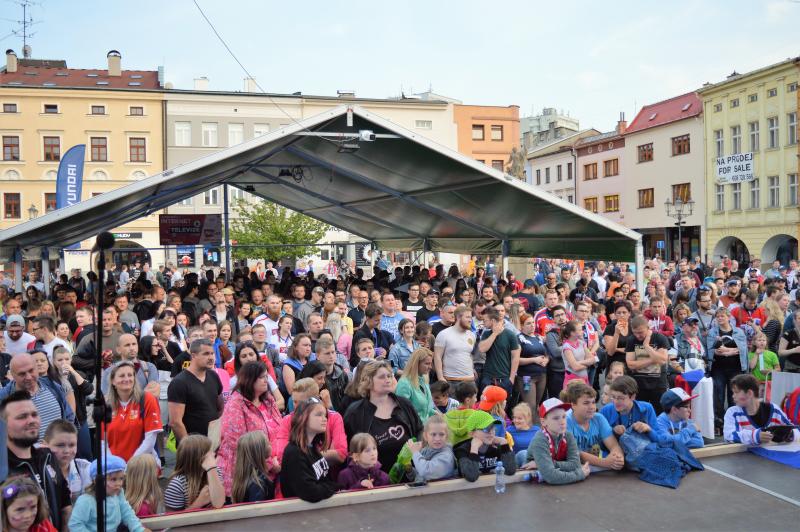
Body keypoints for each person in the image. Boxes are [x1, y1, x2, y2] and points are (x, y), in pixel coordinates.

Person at [1, 391, 71, 530]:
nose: (31, 420)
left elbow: (65, 502)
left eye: (34, 415)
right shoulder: (2, 467)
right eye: (22, 417)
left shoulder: (48, 456)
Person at [343, 360, 423, 473]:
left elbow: (419, 430)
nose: (388, 380)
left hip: (410, 474)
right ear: (369, 381)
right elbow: (350, 451)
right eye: (382, 377)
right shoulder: (355, 412)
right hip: (374, 478)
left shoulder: (404, 404)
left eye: (389, 376)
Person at [218, 361, 282, 497]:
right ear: (250, 380)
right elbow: (237, 444)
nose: (266, 380)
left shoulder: (268, 399)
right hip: (247, 473)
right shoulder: (235, 404)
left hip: (273, 466)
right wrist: (269, 464)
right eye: (262, 377)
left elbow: (280, 430)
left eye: (267, 376)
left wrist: (279, 457)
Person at [273, 378, 348, 468]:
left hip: (328, 474)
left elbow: (341, 454)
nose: (295, 407)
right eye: (294, 401)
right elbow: (282, 456)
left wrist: (305, 458)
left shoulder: (334, 417)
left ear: (315, 400)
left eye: (300, 403)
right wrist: (325, 455)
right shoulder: (287, 420)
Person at [0, 353, 76, 442]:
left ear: (36, 369)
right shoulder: (4, 398)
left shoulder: (53, 386)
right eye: (22, 374)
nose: (28, 377)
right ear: (12, 375)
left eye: (31, 371)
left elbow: (69, 416)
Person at [280, 398, 339, 502]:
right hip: (300, 511)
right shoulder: (294, 453)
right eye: (319, 415)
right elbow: (310, 492)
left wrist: (330, 486)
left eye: (325, 415)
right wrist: (333, 487)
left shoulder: (312, 447)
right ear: (304, 418)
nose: (325, 419)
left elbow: (325, 480)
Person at [68, 455, 145, 532]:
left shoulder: (118, 493)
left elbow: (127, 513)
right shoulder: (86, 500)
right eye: (113, 479)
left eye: (121, 478)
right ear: (97, 480)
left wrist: (139, 529)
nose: (119, 483)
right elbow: (75, 524)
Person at [104, 361, 162, 462]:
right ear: (113, 381)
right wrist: (115, 464)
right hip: (116, 467)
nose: (127, 379)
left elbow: (150, 440)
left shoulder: (147, 399)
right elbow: (103, 442)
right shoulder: (106, 405)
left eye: (130, 375)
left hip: (141, 464)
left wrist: (131, 464)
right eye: (122, 376)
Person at [167, 339, 223, 444]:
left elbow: (220, 408)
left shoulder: (213, 376)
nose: (211, 357)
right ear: (193, 356)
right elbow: (175, 422)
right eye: (206, 354)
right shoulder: (179, 382)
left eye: (212, 353)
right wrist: (190, 447)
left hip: (214, 442)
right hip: (193, 446)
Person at [563, 381, 625, 471]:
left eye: (593, 402)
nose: (592, 407)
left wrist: (618, 458)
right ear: (573, 405)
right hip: (573, 466)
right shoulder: (565, 421)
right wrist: (605, 462)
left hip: (596, 464)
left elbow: (613, 445)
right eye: (586, 403)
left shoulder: (599, 418)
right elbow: (574, 453)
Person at [526, 398, 589, 485]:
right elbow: (551, 476)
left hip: (549, 469)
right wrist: (579, 474)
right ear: (543, 422)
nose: (562, 422)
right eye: (556, 418)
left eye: (564, 417)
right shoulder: (540, 439)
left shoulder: (568, 436)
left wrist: (550, 464)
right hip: (530, 479)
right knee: (522, 454)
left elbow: (575, 465)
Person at [707, 307, 748, 430]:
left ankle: (733, 422)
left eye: (722, 316)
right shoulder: (713, 332)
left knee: (733, 395)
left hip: (735, 368)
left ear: (728, 317)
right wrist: (732, 351)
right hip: (718, 368)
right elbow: (714, 350)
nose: (720, 318)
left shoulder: (739, 332)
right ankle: (719, 423)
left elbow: (743, 349)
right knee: (718, 396)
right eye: (717, 316)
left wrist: (727, 350)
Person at [724, 374, 794, 445]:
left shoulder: (774, 410)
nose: (733, 396)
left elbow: (792, 430)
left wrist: (787, 435)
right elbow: (729, 436)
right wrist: (754, 436)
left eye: (736, 392)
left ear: (749, 393)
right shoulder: (733, 412)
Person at [164, 434, 226, 511]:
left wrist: (212, 469)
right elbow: (172, 517)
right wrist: (199, 502)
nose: (214, 454)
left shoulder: (214, 471)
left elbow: (219, 503)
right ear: (198, 458)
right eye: (209, 452)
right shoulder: (177, 484)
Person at [453, 409, 516, 482]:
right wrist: (474, 449)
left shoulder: (497, 447)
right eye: (486, 429)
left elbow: (510, 470)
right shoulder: (462, 450)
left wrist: (504, 443)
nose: (491, 432)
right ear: (472, 433)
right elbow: (471, 476)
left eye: (493, 428)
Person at [625, 315, 670, 413]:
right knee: (640, 414)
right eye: (635, 332)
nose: (638, 336)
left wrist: (647, 346)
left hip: (658, 384)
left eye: (640, 332)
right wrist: (653, 359)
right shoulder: (631, 340)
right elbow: (631, 364)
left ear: (648, 328)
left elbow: (662, 360)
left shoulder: (659, 338)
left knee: (659, 413)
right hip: (639, 384)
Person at [600, 375, 663, 443]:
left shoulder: (647, 408)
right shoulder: (606, 410)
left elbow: (659, 439)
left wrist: (649, 429)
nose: (615, 401)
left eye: (620, 398)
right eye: (613, 397)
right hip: (615, 448)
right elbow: (597, 439)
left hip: (642, 448)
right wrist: (612, 431)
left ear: (633, 397)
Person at [44, 420, 92, 501]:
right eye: (60, 445)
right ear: (45, 445)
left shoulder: (85, 468)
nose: (66, 451)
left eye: (72, 445)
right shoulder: (41, 472)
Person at [478, 307, 520, 396]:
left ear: (492, 320)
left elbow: (515, 357)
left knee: (503, 404)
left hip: (504, 379)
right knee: (485, 403)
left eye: (485, 320)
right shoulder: (486, 334)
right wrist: (494, 334)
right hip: (488, 378)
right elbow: (482, 349)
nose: (483, 323)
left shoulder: (510, 334)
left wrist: (511, 379)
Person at [433, 305, 476, 388]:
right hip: (451, 381)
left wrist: (472, 368)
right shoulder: (444, 334)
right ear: (458, 317)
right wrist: (440, 377)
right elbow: (437, 356)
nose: (470, 320)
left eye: (471, 317)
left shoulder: (471, 335)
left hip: (470, 380)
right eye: (467, 317)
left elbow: (469, 354)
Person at [231, 431, 278, 503]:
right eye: (268, 443)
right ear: (259, 451)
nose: (270, 444)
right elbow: (259, 508)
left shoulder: (244, 479)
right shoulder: (258, 484)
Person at [406, 414, 456, 481]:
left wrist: (415, 453)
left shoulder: (446, 456)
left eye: (441, 434)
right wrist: (410, 470)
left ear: (446, 436)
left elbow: (426, 472)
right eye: (433, 434)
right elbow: (420, 475)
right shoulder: (425, 451)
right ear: (425, 436)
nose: (437, 439)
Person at [394, 347, 438, 423]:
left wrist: (437, 414)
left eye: (431, 363)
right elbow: (402, 412)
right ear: (416, 364)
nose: (430, 367)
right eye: (427, 364)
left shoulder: (424, 379)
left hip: (425, 426)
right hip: (414, 427)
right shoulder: (404, 383)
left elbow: (426, 408)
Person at [315, 337, 349, 412]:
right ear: (317, 356)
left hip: (341, 415)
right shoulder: (312, 375)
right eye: (327, 353)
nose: (331, 356)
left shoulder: (342, 374)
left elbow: (348, 400)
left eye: (333, 352)